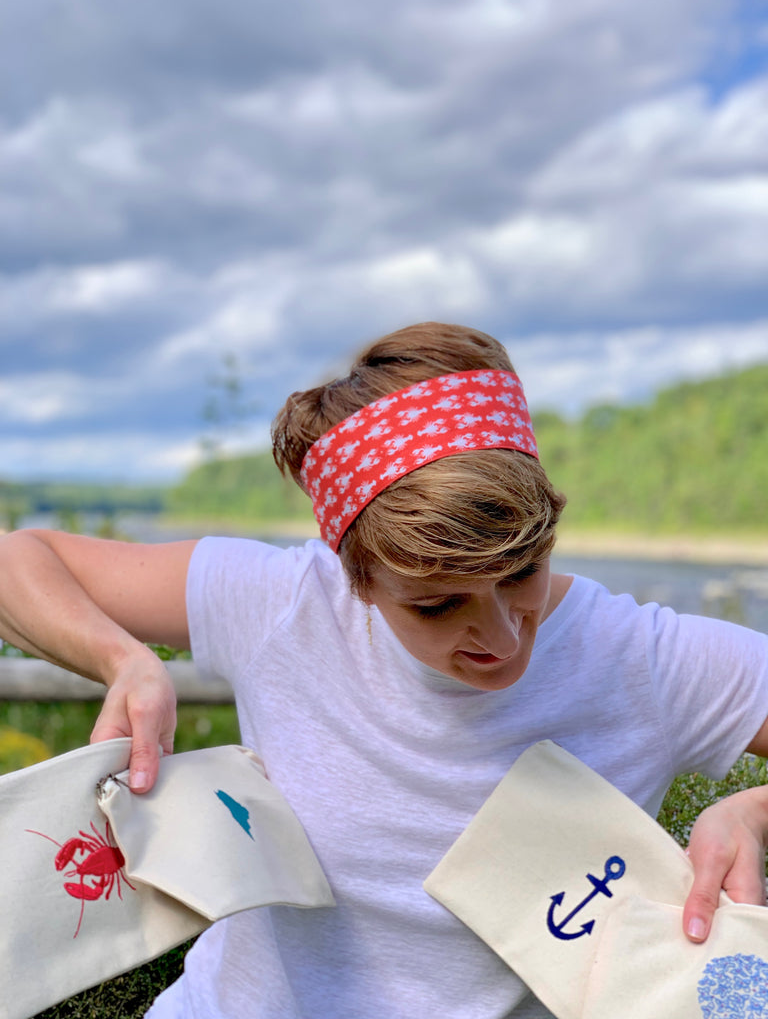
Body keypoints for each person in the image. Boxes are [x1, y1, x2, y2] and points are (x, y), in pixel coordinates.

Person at [1, 321, 767, 1019]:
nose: (499, 636)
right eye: (437, 606)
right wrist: (124, 659)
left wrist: (752, 810)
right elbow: (18, 561)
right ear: (356, 581)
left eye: (523, 573)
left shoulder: (646, 659)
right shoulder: (287, 603)